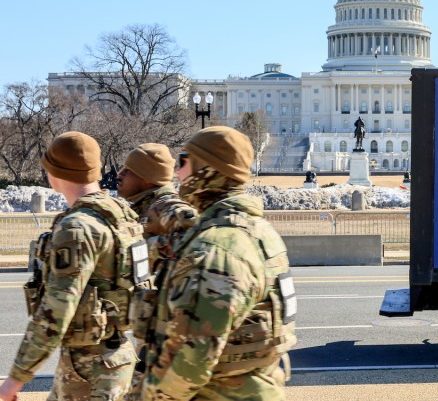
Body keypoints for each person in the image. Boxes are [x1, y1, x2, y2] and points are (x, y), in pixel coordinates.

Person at [142, 126, 296, 401]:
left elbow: (191, 361)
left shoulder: (219, 246)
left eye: (184, 161)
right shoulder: (259, 231)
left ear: (207, 170)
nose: (177, 173)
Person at [0, 132, 146, 401]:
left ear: (55, 173)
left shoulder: (77, 228)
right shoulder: (119, 215)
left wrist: (16, 378)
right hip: (112, 358)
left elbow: (56, 311)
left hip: (90, 372)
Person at [117, 143, 198, 401]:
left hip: (170, 330)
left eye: (127, 171)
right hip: (152, 329)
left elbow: (194, 234)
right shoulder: (143, 207)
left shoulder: (165, 205)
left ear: (146, 178)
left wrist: (144, 249)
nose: (119, 175)